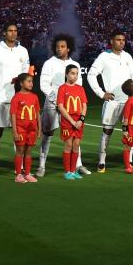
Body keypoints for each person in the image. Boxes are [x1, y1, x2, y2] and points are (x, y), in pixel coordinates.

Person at [0, 24, 30, 179]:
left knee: (20, 134)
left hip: (19, 99)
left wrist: (24, 92)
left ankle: (21, 167)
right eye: (10, 31)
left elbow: (26, 73)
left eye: (15, 30)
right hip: (1, 98)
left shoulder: (23, 51)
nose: (13, 33)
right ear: (4, 33)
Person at [87, 31, 133, 173]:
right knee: (107, 131)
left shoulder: (127, 56)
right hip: (113, 101)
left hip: (128, 101)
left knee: (130, 131)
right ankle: (102, 162)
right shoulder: (104, 57)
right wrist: (101, 93)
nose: (121, 42)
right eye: (118, 39)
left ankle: (130, 161)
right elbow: (91, 75)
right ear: (112, 41)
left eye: (123, 40)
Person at [37, 33, 80, 177]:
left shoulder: (75, 65)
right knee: (48, 134)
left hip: (71, 107)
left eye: (62, 47)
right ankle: (41, 166)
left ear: (68, 49)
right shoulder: (49, 63)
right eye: (57, 47)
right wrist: (56, 99)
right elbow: (44, 84)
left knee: (74, 136)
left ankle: (77, 166)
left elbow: (79, 87)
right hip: (52, 103)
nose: (59, 49)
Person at [57, 65, 88, 180]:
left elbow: (84, 105)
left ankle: (73, 170)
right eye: (72, 73)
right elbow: (60, 106)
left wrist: (81, 120)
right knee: (68, 145)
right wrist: (72, 121)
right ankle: (67, 172)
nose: (75, 76)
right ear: (66, 74)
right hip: (67, 121)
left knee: (76, 145)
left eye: (76, 73)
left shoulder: (80, 89)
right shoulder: (62, 88)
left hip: (79, 122)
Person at [9, 73, 40, 183]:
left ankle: (27, 174)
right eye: (28, 81)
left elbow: (37, 114)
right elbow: (12, 115)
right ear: (21, 83)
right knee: (20, 151)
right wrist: (15, 131)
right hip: (20, 129)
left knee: (29, 151)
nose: (31, 83)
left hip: (32, 130)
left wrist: (39, 129)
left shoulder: (34, 96)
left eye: (32, 81)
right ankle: (18, 175)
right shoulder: (16, 97)